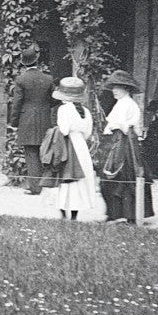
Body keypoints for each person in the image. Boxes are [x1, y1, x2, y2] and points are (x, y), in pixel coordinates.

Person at [98, 69, 153, 224]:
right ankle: (114, 213)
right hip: (118, 141)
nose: (114, 90)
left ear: (126, 88)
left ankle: (131, 215)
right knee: (111, 177)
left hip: (126, 142)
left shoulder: (129, 104)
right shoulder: (121, 103)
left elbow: (125, 126)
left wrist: (115, 127)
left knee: (126, 175)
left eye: (118, 87)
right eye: (113, 87)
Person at [6, 44, 56, 193]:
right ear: (37, 61)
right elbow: (55, 99)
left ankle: (35, 187)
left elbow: (17, 103)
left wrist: (14, 122)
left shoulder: (21, 80)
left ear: (23, 63)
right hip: (44, 119)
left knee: (31, 153)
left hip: (27, 120)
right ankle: (47, 183)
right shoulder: (48, 79)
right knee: (45, 150)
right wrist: (45, 105)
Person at [49, 76, 99, 221]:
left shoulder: (64, 109)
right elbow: (88, 133)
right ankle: (74, 215)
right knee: (79, 180)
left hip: (67, 145)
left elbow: (64, 130)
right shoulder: (86, 111)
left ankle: (63, 212)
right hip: (81, 146)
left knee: (66, 176)